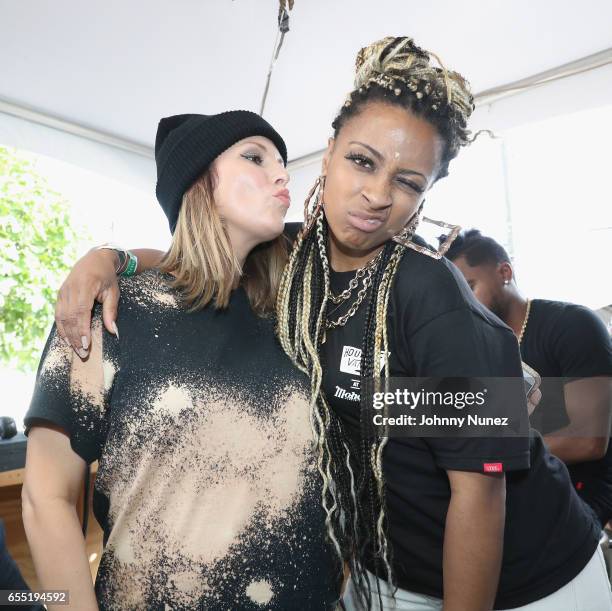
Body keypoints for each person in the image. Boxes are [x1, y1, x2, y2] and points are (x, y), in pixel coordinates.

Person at [53, 38, 612, 610]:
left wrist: (488, 401)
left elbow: (482, 491)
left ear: (427, 195)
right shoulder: (291, 257)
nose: (376, 194)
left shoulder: (430, 292)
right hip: (394, 574)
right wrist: (109, 259)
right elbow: (194, 255)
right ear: (329, 153)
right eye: (362, 161)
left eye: (408, 182)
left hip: (530, 576)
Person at [22, 111, 343, 610]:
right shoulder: (110, 307)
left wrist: (114, 253)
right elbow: (46, 499)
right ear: (197, 182)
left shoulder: (296, 308)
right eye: (255, 158)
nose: (281, 175)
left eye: (282, 163)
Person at [445, 228, 612, 527]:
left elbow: (587, 442)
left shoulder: (571, 325)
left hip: (579, 495)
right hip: (510, 493)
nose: (465, 304)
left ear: (504, 272)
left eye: (470, 286)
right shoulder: (474, 349)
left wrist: (490, 459)